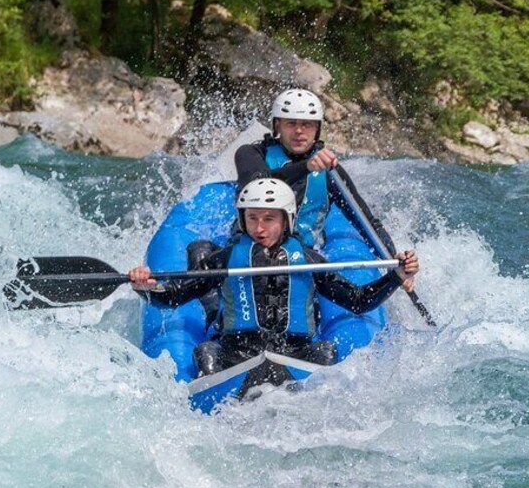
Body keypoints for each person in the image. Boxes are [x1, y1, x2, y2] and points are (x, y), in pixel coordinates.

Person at [129, 178, 419, 377]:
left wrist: (395, 277)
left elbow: (357, 301)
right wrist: (146, 287)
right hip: (236, 353)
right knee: (206, 352)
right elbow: (176, 297)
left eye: (269, 218)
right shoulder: (226, 259)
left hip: (296, 352)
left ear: (287, 220)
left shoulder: (307, 261)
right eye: (252, 217)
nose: (260, 227)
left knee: (326, 352)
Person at [234, 88, 416, 292]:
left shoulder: (331, 173)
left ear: (317, 129)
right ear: (278, 125)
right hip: (251, 249)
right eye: (291, 123)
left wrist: (393, 260)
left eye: (307, 125)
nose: (299, 131)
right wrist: (306, 167)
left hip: (301, 256)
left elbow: (365, 221)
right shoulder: (251, 153)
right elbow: (258, 185)